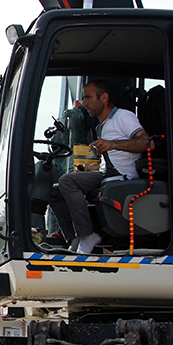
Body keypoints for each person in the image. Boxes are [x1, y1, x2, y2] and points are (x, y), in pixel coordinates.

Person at [45, 79, 150, 254]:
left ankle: (88, 235)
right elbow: (116, 157)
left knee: (68, 182)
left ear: (104, 98)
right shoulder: (102, 125)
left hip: (122, 177)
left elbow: (147, 142)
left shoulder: (123, 116)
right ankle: (75, 238)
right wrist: (92, 168)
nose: (84, 103)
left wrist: (112, 144)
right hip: (107, 174)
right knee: (55, 192)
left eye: (88, 97)